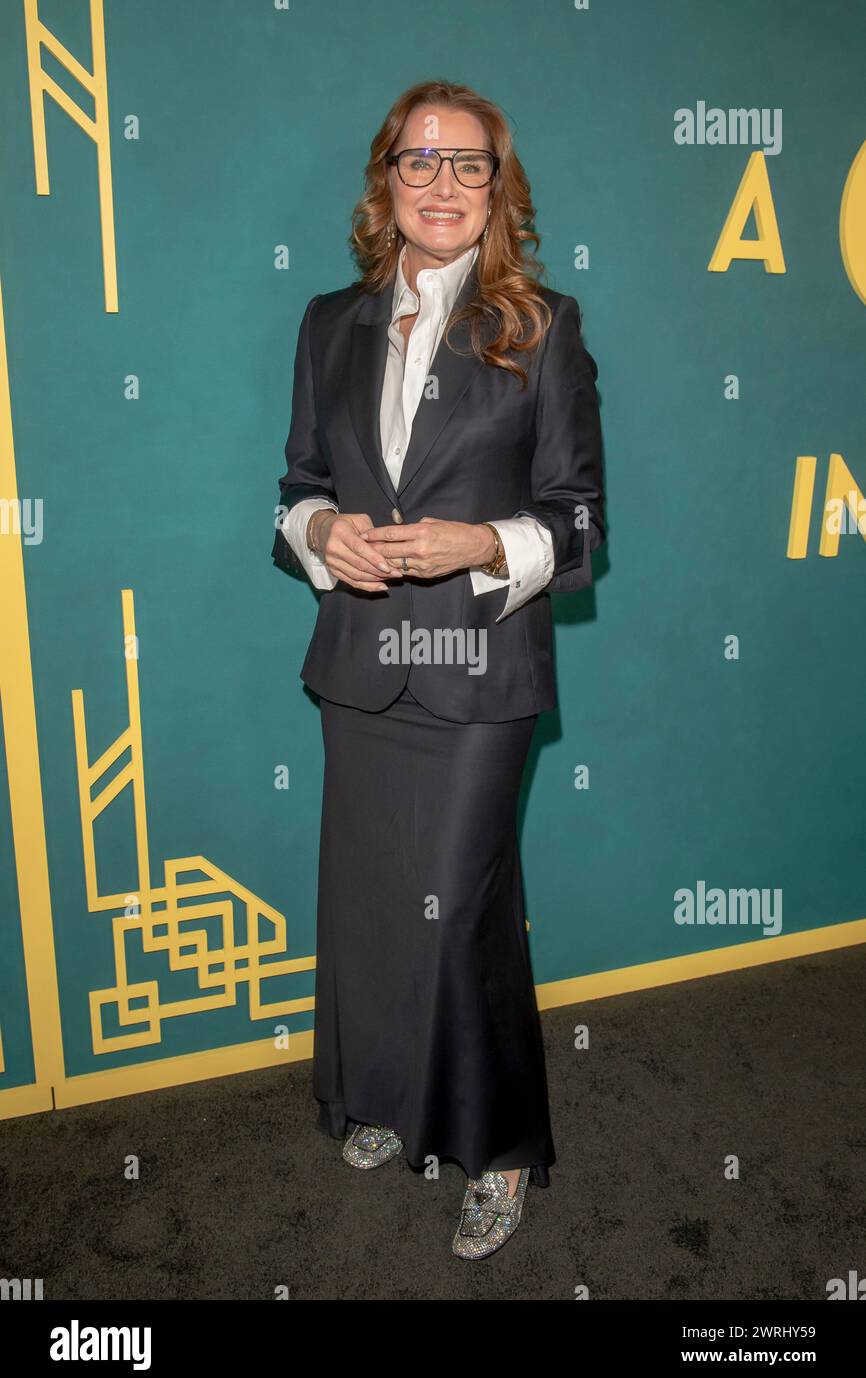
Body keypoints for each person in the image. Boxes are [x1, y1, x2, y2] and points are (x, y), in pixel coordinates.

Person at [271, 78, 605, 1260]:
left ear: (497, 189)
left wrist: (484, 543)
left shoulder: (541, 326)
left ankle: (501, 1150)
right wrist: (321, 535)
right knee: (367, 902)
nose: (445, 184)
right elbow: (295, 488)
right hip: (360, 666)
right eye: (422, 162)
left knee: (461, 912)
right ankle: (377, 1098)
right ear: (385, 184)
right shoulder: (326, 323)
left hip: (479, 675)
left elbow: (578, 524)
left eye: (470, 165)